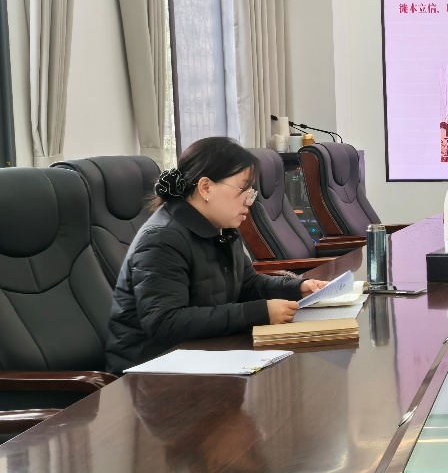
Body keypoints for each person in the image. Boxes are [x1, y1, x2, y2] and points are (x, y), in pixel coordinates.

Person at [105, 138, 328, 371]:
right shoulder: (162, 238)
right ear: (206, 188)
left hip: (201, 354)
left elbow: (247, 285)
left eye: (251, 192)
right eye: (243, 190)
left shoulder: (221, 228)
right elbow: (164, 323)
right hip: (150, 371)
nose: (249, 201)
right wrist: (260, 313)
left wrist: (297, 287)